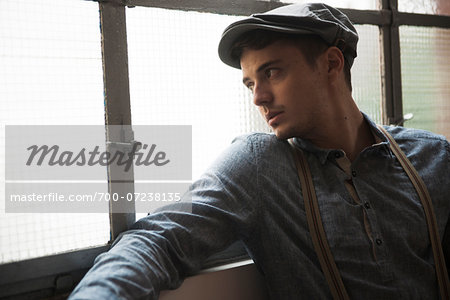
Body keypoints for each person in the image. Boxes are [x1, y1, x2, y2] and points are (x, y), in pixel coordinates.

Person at [69, 3, 450, 299]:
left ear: (332, 64)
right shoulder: (259, 165)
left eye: (272, 72)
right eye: (249, 82)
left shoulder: (433, 158)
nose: (258, 97)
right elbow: (158, 239)